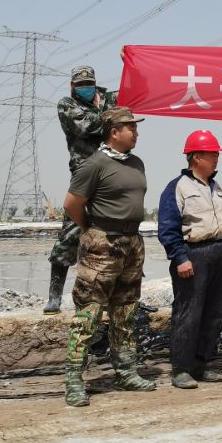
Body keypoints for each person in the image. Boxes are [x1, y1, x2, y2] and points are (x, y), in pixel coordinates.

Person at [61, 107, 156, 407]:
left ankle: (125, 373)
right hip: (102, 244)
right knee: (89, 314)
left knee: (125, 312)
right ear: (114, 132)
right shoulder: (94, 164)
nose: (136, 132)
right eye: (131, 127)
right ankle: (74, 380)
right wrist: (91, 230)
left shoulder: (137, 163)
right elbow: (71, 204)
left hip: (132, 243)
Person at [157, 130, 222, 388]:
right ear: (196, 157)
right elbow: (168, 226)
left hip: (220, 252)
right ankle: (181, 369)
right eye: (212, 154)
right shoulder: (177, 187)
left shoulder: (215, 187)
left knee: (213, 313)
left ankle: (201, 364)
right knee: (188, 312)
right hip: (194, 255)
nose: (216, 158)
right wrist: (179, 257)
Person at [46, 64, 119, 314]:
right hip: (84, 174)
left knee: (117, 236)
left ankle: (117, 296)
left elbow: (131, 105)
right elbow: (85, 127)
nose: (84, 88)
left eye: (88, 85)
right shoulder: (66, 104)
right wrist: (111, 119)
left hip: (112, 173)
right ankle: (54, 296)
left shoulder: (110, 98)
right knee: (71, 232)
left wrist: (127, 62)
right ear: (72, 86)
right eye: (80, 85)